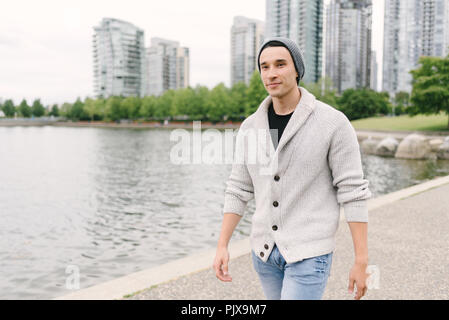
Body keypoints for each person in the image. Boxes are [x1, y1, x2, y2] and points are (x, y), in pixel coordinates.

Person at [212, 37, 372, 300]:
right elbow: (238, 188)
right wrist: (222, 245)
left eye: (280, 64)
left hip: (309, 254)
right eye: (264, 67)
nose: (271, 73)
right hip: (264, 255)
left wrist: (361, 261)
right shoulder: (250, 127)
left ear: (297, 69)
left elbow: (353, 191)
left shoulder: (333, 123)